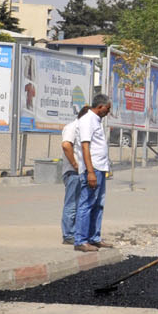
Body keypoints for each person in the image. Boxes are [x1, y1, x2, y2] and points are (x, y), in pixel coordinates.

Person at [73, 94, 113, 252]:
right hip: (93, 169)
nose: (108, 112)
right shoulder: (87, 120)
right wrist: (90, 172)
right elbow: (85, 147)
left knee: (98, 204)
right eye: (107, 109)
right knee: (87, 204)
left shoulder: (97, 120)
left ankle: (94, 238)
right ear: (100, 106)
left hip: (100, 168)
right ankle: (81, 240)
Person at [58, 106, 90, 245]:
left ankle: (77, 232)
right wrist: (75, 165)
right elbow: (66, 145)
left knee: (79, 204)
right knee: (72, 204)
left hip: (81, 172)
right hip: (73, 173)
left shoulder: (83, 129)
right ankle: (68, 235)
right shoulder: (72, 127)